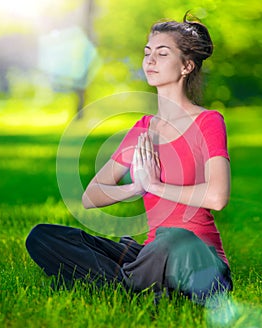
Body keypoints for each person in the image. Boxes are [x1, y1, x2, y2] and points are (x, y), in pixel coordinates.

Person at [26, 12, 233, 305]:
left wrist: (155, 185)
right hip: (150, 253)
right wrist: (135, 188)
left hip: (197, 257)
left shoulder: (209, 122)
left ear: (186, 65)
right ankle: (138, 283)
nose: (150, 60)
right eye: (147, 53)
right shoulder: (143, 129)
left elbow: (217, 197)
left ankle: (122, 283)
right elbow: (91, 197)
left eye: (162, 54)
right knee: (43, 236)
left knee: (172, 238)